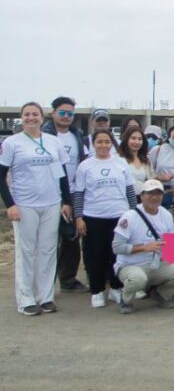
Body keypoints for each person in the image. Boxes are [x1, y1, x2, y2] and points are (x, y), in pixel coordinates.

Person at [0, 102, 72, 316]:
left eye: (35, 114)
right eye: (27, 114)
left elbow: (63, 174)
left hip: (51, 203)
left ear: (43, 117)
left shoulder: (53, 142)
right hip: (24, 204)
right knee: (26, 252)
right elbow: (1, 176)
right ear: (21, 118)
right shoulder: (12, 143)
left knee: (48, 251)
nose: (31, 118)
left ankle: (46, 297)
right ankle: (26, 299)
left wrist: (66, 201)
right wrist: (10, 204)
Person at [73, 129, 136, 308]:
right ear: (93, 144)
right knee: (95, 256)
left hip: (119, 216)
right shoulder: (85, 166)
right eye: (99, 142)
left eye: (107, 142)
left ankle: (116, 289)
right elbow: (79, 193)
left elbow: (130, 191)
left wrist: (132, 215)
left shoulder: (121, 163)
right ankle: (97, 291)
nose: (103, 145)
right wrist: (78, 217)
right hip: (93, 217)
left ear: (112, 143)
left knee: (117, 256)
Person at [111, 179, 174, 314]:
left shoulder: (165, 215)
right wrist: (144, 247)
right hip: (130, 265)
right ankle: (126, 300)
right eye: (149, 193)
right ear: (141, 196)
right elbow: (117, 247)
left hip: (156, 264)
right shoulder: (129, 217)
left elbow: (169, 245)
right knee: (138, 279)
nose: (154, 197)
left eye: (158, 193)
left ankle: (161, 295)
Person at [42, 95, 90, 293]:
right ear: (53, 113)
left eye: (70, 113)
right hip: (52, 193)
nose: (66, 116)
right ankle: (46, 284)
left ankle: (68, 279)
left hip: (75, 191)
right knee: (51, 240)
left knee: (72, 236)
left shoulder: (76, 134)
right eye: (62, 112)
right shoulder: (45, 135)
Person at [117, 126, 151, 197]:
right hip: (125, 198)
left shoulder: (146, 160)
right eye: (133, 138)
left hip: (143, 199)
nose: (136, 142)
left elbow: (150, 179)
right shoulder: (118, 159)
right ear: (126, 139)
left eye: (140, 139)